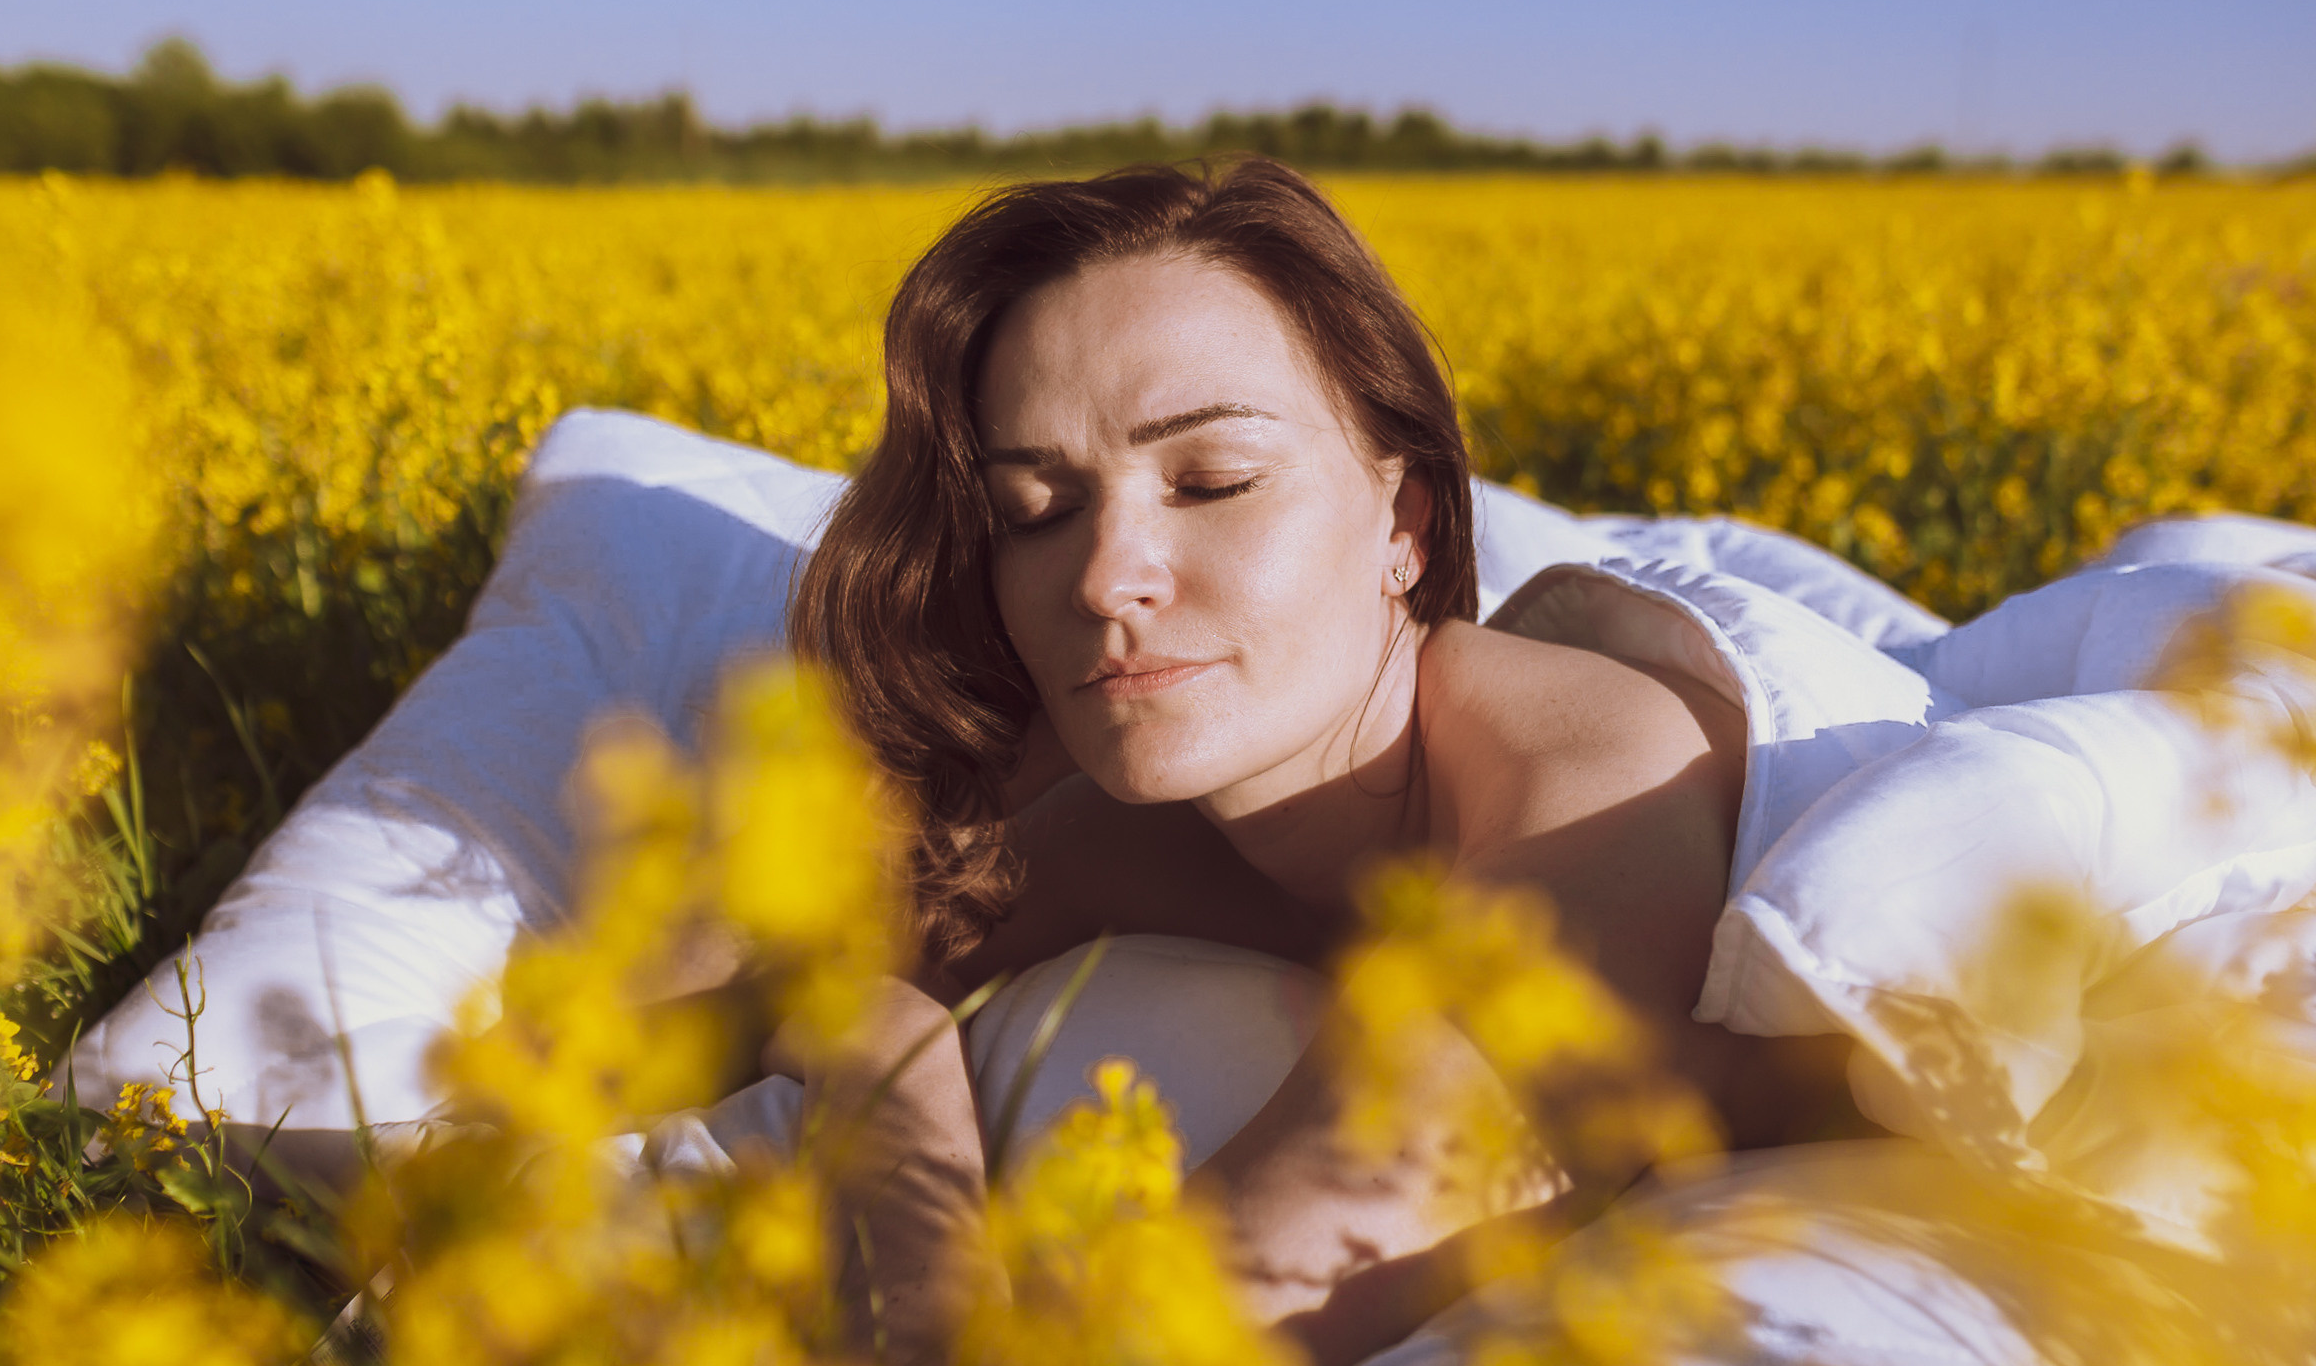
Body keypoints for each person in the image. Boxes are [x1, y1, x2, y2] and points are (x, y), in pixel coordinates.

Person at [781, 157, 1873, 1365]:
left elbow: (1198, 1311)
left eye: (1214, 482)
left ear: (1403, 525)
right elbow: (815, 970)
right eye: (1036, 510)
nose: (1104, 576)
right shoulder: (1141, 824)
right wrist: (906, 1114)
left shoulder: (1600, 793)